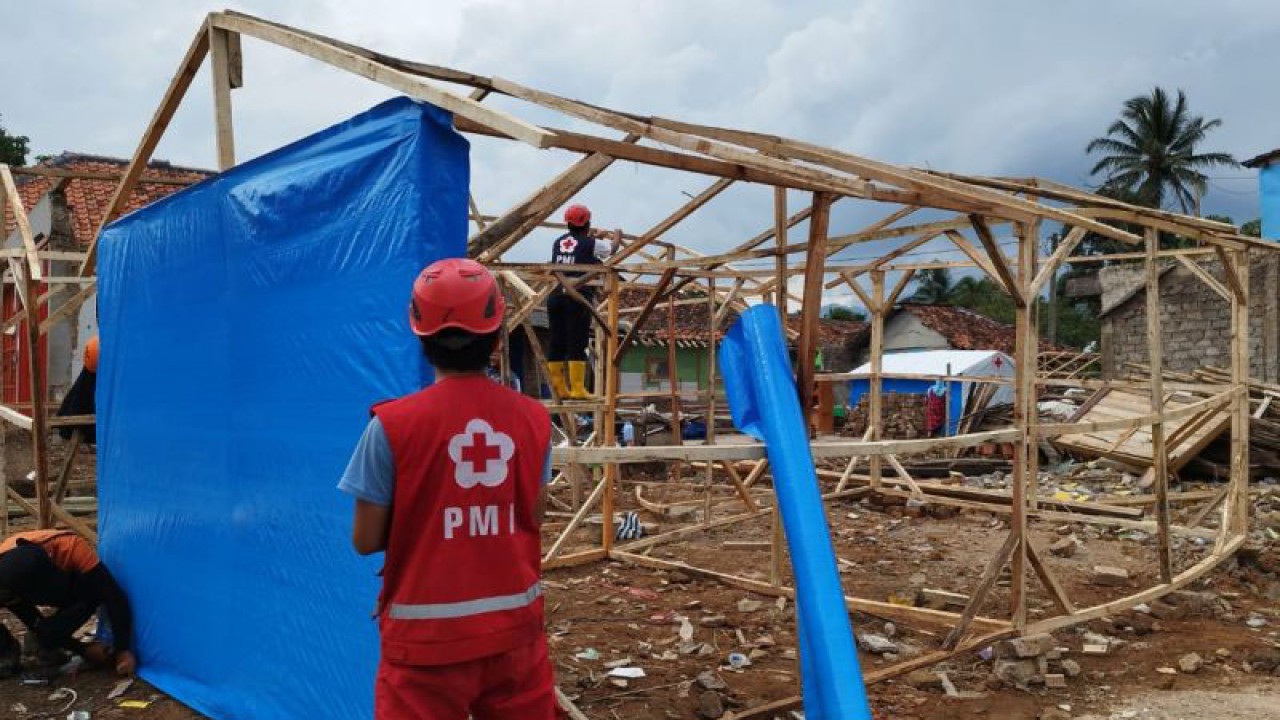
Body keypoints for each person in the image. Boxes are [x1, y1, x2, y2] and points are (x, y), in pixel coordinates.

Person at [339, 258, 556, 719]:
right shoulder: (534, 420)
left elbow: (365, 539)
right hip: (513, 634)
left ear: (419, 335)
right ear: (497, 337)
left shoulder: (391, 426)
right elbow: (533, 515)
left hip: (426, 643)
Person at [0, 529, 136, 677]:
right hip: (15, 584)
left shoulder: (72, 548)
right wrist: (82, 649)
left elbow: (113, 595)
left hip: (69, 582)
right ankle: (7, 650)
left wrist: (123, 649)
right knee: (41, 631)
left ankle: (43, 638)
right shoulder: (6, 583)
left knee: (93, 591)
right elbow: (30, 618)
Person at [546, 204, 622, 400]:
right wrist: (617, 235)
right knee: (577, 340)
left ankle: (560, 389)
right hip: (577, 297)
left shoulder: (558, 242)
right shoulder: (590, 243)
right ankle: (578, 389)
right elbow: (612, 249)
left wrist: (595, 237)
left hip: (556, 296)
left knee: (556, 340)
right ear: (587, 223)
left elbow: (578, 250)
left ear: (567, 224)